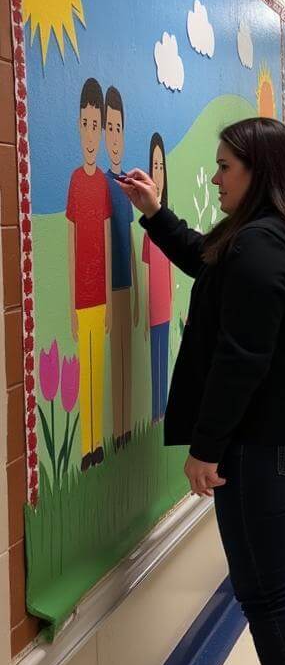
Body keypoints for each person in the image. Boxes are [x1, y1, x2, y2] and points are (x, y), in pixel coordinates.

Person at [118, 117, 285, 665]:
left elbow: (241, 359)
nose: (215, 177)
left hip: (264, 438)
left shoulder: (260, 247)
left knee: (265, 588)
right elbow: (210, 266)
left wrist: (204, 449)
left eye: (224, 167)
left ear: (258, 172)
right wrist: (156, 216)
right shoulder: (277, 235)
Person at [67, 78, 112, 471]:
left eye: (95, 125)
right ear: (79, 126)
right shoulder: (75, 181)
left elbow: (107, 242)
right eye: (86, 123)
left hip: (101, 297)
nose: (91, 133)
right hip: (81, 299)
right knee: (85, 373)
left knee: (98, 371)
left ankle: (99, 442)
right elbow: (70, 243)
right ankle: (86, 448)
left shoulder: (102, 185)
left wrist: (112, 304)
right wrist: (69, 305)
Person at [103, 85, 139, 449]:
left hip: (128, 286)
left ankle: (127, 426)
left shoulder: (127, 184)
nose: (114, 137)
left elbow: (127, 244)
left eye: (118, 129)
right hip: (109, 289)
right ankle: (117, 433)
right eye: (108, 129)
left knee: (128, 357)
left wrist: (139, 296)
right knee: (116, 359)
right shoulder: (101, 183)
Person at [141, 133, 173, 424]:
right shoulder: (151, 234)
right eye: (155, 167)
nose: (158, 174)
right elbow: (146, 270)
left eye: (161, 167)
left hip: (165, 309)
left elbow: (179, 258)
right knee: (154, 360)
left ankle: (162, 408)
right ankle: (155, 411)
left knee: (163, 355)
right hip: (153, 310)